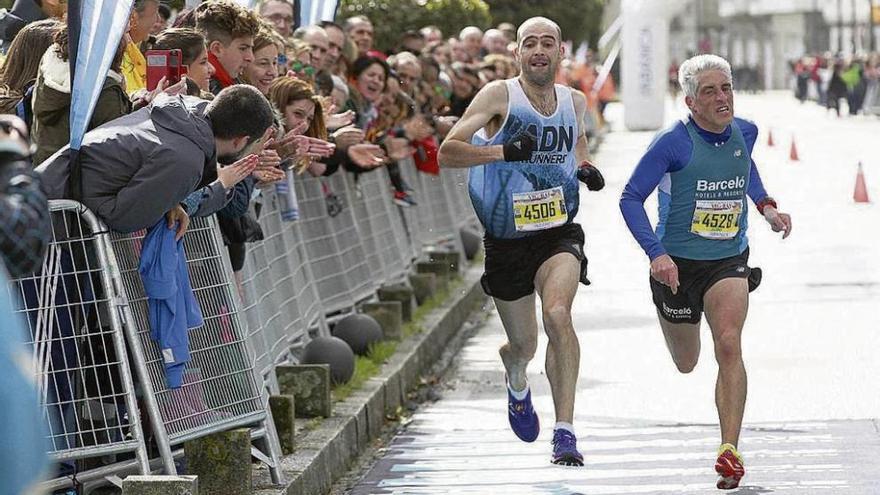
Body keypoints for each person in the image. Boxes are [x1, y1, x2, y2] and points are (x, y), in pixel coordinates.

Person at [619, 54, 792, 490]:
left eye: (727, 88)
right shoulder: (671, 144)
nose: (722, 98)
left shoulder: (744, 132)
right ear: (690, 101)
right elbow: (629, 198)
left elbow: (743, 166)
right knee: (687, 361)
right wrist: (656, 255)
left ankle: (729, 449)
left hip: (728, 259)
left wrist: (766, 206)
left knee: (729, 344)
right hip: (676, 266)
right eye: (710, 91)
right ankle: (674, 313)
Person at [438, 16, 604, 467]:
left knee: (558, 313)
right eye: (528, 43)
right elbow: (447, 153)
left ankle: (565, 431)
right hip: (507, 239)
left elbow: (579, 141)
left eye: (546, 42)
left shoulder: (574, 100)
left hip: (558, 233)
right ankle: (515, 374)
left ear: (560, 51)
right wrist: (503, 151)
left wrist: (586, 168)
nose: (538, 50)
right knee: (525, 345)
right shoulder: (498, 96)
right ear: (516, 52)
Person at [36, 85, 275, 235]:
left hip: (46, 204)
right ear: (240, 141)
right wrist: (162, 204)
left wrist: (170, 200)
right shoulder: (184, 160)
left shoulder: (180, 116)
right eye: (256, 143)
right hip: (49, 228)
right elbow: (124, 218)